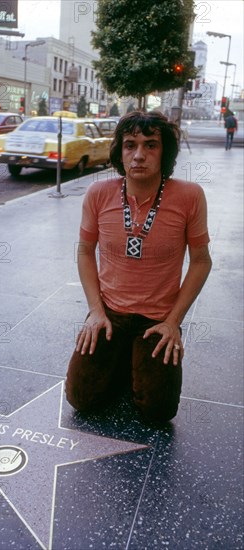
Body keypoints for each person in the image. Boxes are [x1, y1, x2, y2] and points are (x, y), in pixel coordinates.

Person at [66, 110, 212, 423]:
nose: (139, 155)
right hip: (110, 314)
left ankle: (131, 358)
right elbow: (84, 251)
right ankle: (122, 358)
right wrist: (95, 311)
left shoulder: (190, 196)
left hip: (156, 319)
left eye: (151, 145)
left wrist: (173, 321)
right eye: (130, 145)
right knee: (80, 399)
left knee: (158, 413)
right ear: (120, 150)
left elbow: (201, 261)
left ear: (165, 152)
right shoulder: (98, 194)